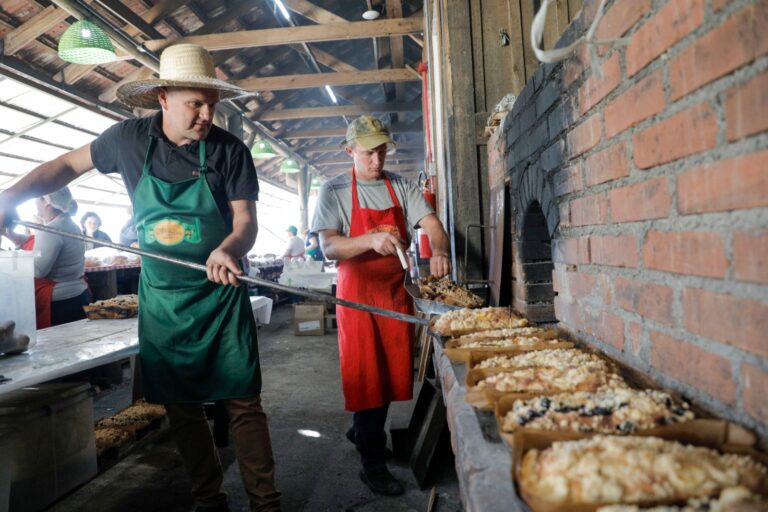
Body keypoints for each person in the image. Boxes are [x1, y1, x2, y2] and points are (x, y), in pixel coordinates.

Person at [0, 44, 280, 512]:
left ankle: (266, 504)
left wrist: (229, 248)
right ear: (163, 98)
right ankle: (208, 498)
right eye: (195, 103)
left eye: (212, 104)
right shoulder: (128, 140)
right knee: (180, 405)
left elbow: (245, 222)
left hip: (220, 296)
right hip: (163, 300)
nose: (206, 115)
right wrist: (8, 198)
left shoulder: (230, 150)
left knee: (243, 403)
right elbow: (64, 166)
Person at [311, 115, 451, 495]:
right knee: (367, 375)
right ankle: (372, 463)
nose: (377, 161)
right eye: (368, 153)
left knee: (390, 371)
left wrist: (439, 250)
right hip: (358, 297)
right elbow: (329, 246)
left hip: (394, 292)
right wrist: (369, 240)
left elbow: (433, 225)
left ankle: (362, 431)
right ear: (350, 150)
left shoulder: (400, 186)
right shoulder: (334, 189)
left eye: (382, 152)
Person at [0, 188, 89, 328]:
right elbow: (41, 244)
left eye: (37, 198)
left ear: (47, 202)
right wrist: (10, 235)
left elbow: (38, 270)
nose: (35, 202)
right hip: (78, 295)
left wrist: (10, 258)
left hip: (60, 303)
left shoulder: (50, 230)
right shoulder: (69, 224)